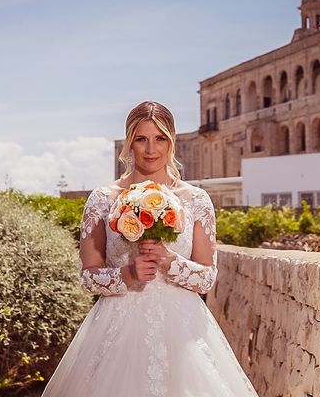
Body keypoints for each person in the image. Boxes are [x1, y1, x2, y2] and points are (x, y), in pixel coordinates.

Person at [42, 101, 258, 396]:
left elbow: (207, 278)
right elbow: (88, 277)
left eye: (160, 139)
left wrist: (170, 261)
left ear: (172, 141)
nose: (150, 149)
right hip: (117, 328)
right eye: (141, 139)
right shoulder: (104, 199)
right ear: (129, 142)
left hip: (183, 332)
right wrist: (128, 274)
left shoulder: (196, 199)